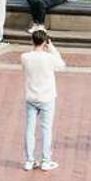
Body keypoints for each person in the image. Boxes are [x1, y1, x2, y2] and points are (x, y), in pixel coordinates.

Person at [21, 29, 64, 171]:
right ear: (45, 42)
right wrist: (51, 47)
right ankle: (46, 160)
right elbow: (61, 65)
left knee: (29, 129)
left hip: (31, 96)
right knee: (46, 129)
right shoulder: (49, 58)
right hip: (47, 97)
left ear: (32, 41)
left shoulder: (25, 57)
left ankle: (29, 160)